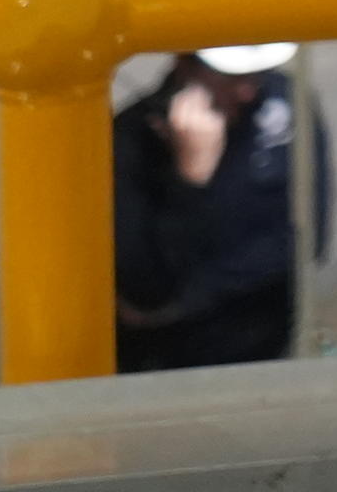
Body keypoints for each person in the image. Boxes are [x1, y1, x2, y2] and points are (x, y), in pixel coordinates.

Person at [112, 49, 294, 373]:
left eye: (258, 73)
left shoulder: (284, 105)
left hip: (261, 346)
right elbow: (147, 291)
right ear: (184, 65)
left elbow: (301, 239)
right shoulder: (131, 142)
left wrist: (190, 299)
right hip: (166, 364)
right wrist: (191, 178)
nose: (248, 90)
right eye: (231, 77)